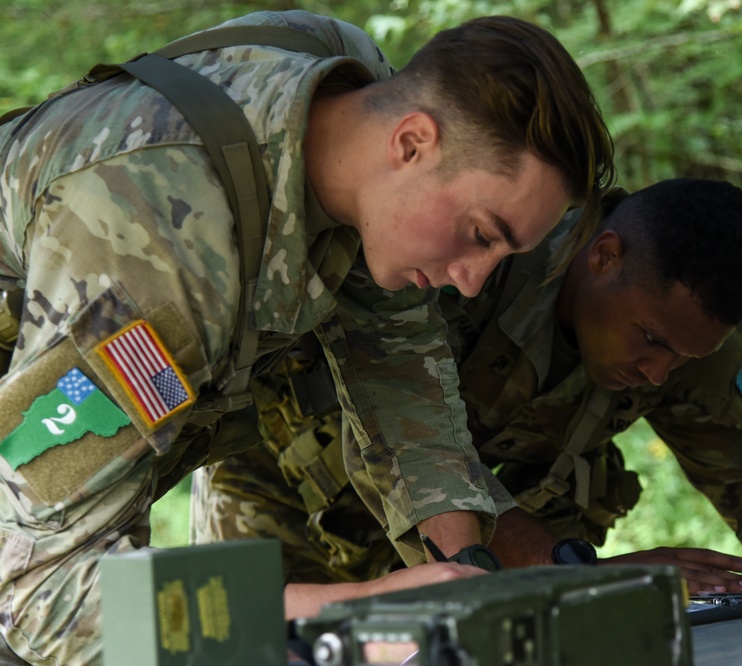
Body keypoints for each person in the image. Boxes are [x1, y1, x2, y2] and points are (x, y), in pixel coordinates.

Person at [0, 9, 615, 664]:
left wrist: (465, 581)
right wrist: (356, 609)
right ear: (411, 143)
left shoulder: (344, 91)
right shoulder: (157, 243)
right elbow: (44, 598)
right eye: (481, 234)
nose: (471, 282)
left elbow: (400, 371)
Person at [192, 178, 742, 606]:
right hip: (294, 528)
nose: (660, 372)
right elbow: (395, 454)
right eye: (652, 341)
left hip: (499, 576)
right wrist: (578, 571)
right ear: (603, 256)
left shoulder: (688, 330)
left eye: (683, 355)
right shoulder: (471, 266)